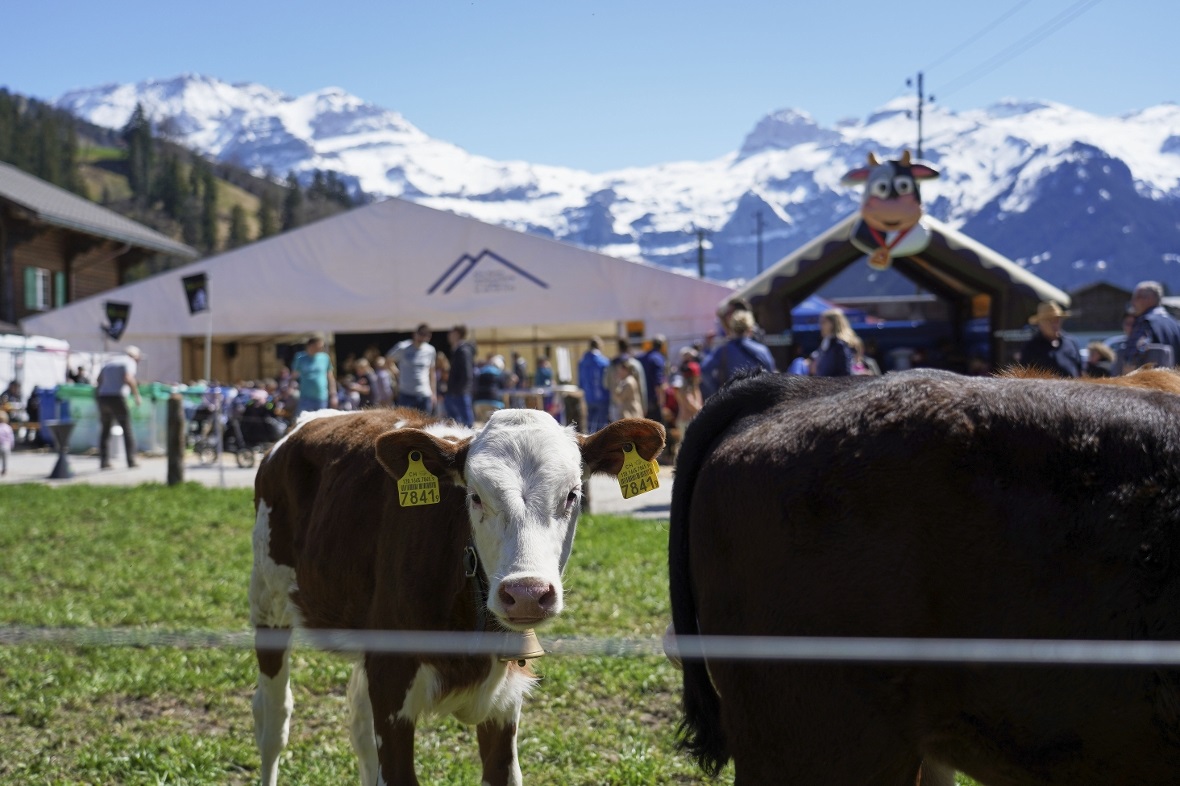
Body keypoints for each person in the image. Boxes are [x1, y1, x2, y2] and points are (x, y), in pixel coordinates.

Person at [701, 309, 777, 396]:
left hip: (731, 399)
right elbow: (771, 374)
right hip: (757, 399)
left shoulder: (723, 350)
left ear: (732, 328)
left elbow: (704, 370)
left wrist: (717, 391)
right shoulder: (762, 350)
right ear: (750, 328)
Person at [95, 346, 142, 469]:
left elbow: (98, 380)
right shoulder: (129, 362)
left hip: (103, 398)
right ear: (135, 356)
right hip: (117, 398)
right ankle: (131, 460)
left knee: (105, 430)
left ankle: (104, 461)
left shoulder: (110, 362)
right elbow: (128, 378)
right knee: (127, 429)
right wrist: (137, 395)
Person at [1122, 280, 1180, 372]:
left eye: (1137, 297)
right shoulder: (1175, 324)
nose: (1132, 302)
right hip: (1174, 382)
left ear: (1150, 299)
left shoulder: (1146, 322)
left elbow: (1134, 355)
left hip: (1151, 381)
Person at [1019, 301, 1082, 378]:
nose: (1054, 323)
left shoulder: (1071, 342)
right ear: (1040, 323)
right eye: (1049, 320)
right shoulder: (1030, 347)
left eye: (1057, 319)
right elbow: (1025, 376)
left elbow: (1081, 371)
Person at [388, 323, 437, 413]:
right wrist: (397, 372)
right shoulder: (403, 347)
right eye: (421, 334)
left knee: (425, 424)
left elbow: (432, 373)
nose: (422, 338)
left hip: (424, 394)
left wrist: (434, 393)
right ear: (415, 334)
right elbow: (388, 360)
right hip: (406, 393)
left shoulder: (430, 350)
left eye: (426, 335)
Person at [291, 335, 337, 416]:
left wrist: (333, 395)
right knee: (302, 421)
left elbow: (330, 377)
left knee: (320, 423)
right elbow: (294, 375)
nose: (321, 349)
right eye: (319, 346)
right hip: (305, 398)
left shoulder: (325, 358)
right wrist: (290, 387)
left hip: (321, 397)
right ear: (311, 345)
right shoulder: (300, 358)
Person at [444, 325, 476, 427]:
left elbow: (467, 374)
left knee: (465, 424)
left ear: (457, 334)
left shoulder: (463, 351)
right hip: (457, 392)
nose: (449, 336)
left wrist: (457, 390)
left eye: (451, 333)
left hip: (460, 393)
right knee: (456, 424)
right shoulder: (459, 350)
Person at [577, 338, 612, 432]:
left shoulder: (582, 362)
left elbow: (580, 382)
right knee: (602, 426)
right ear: (600, 346)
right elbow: (608, 381)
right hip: (602, 397)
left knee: (589, 425)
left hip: (588, 397)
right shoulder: (604, 362)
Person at [810, 309, 857, 377]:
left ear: (833, 324)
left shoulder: (839, 345)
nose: (820, 326)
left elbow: (845, 373)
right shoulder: (826, 343)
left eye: (823, 322)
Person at [639, 336, 668, 422]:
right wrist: (661, 402)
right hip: (654, 401)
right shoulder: (658, 358)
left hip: (642, 398)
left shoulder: (642, 357)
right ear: (662, 346)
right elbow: (658, 382)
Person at [0, 410, 13, 476]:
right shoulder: (8, 427)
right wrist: (11, 445)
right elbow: (11, 438)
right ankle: (4, 470)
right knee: (5, 459)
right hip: (6, 445)